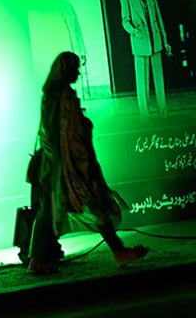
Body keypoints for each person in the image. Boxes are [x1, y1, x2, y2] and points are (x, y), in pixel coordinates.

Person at [28, 51, 149, 275]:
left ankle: (38, 259)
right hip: (70, 168)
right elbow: (72, 138)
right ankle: (118, 251)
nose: (78, 72)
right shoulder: (64, 97)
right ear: (65, 70)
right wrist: (86, 167)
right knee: (93, 204)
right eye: (75, 68)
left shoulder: (50, 95)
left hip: (53, 167)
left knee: (53, 210)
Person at [119, 0, 171, 118]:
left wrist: (165, 40)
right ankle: (145, 117)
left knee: (159, 81)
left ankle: (164, 114)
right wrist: (133, 31)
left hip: (155, 42)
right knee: (142, 82)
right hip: (140, 42)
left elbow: (159, 18)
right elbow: (125, 20)